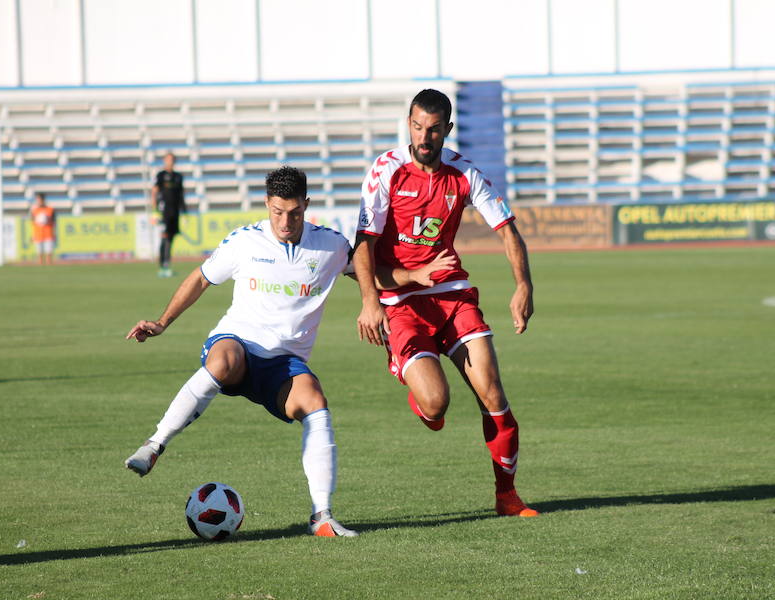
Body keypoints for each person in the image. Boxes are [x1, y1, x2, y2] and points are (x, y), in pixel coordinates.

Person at [125, 166, 357, 537]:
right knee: (224, 359)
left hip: (283, 364)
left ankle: (322, 516)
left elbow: (373, 276)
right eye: (278, 212)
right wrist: (162, 322)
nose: (286, 221)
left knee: (315, 401)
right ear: (267, 204)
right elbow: (201, 278)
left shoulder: (331, 245)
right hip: (238, 342)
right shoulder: (245, 241)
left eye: (295, 213)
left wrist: (415, 279)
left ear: (307, 205)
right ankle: (154, 445)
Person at [352, 88, 539, 518]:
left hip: (451, 294)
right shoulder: (387, 171)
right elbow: (362, 246)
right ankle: (412, 378)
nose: (424, 136)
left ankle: (507, 496)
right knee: (436, 405)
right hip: (399, 300)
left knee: (492, 391)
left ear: (447, 130)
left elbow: (509, 232)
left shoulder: (464, 174)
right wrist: (370, 301)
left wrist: (523, 285)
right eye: (417, 127)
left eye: (433, 129)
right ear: (409, 125)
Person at [151, 152, 186, 277]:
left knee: (170, 238)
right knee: (164, 237)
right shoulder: (161, 175)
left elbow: (181, 194)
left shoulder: (178, 176)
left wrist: (184, 211)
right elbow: (154, 192)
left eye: (172, 159)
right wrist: (155, 211)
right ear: (164, 160)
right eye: (168, 159)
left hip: (174, 211)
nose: (170, 162)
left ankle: (167, 264)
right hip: (163, 211)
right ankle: (163, 266)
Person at [29, 192, 56, 265]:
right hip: (38, 234)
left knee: (49, 255)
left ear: (43, 199)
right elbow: (33, 223)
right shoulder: (34, 210)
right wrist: (33, 235)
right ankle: (40, 271)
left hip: (48, 234)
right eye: (37, 199)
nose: (38, 201)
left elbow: (54, 223)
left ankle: (50, 270)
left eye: (39, 199)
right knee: (39, 255)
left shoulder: (50, 209)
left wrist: (47, 220)